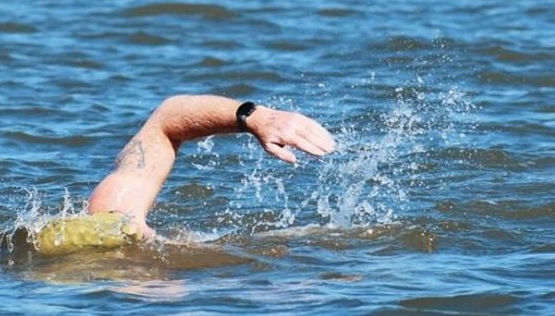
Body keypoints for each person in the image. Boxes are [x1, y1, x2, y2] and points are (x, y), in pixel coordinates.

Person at [31, 94, 336, 254]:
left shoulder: (113, 217)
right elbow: (165, 121)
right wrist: (255, 118)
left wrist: (255, 117)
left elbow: (167, 119)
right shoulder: (119, 226)